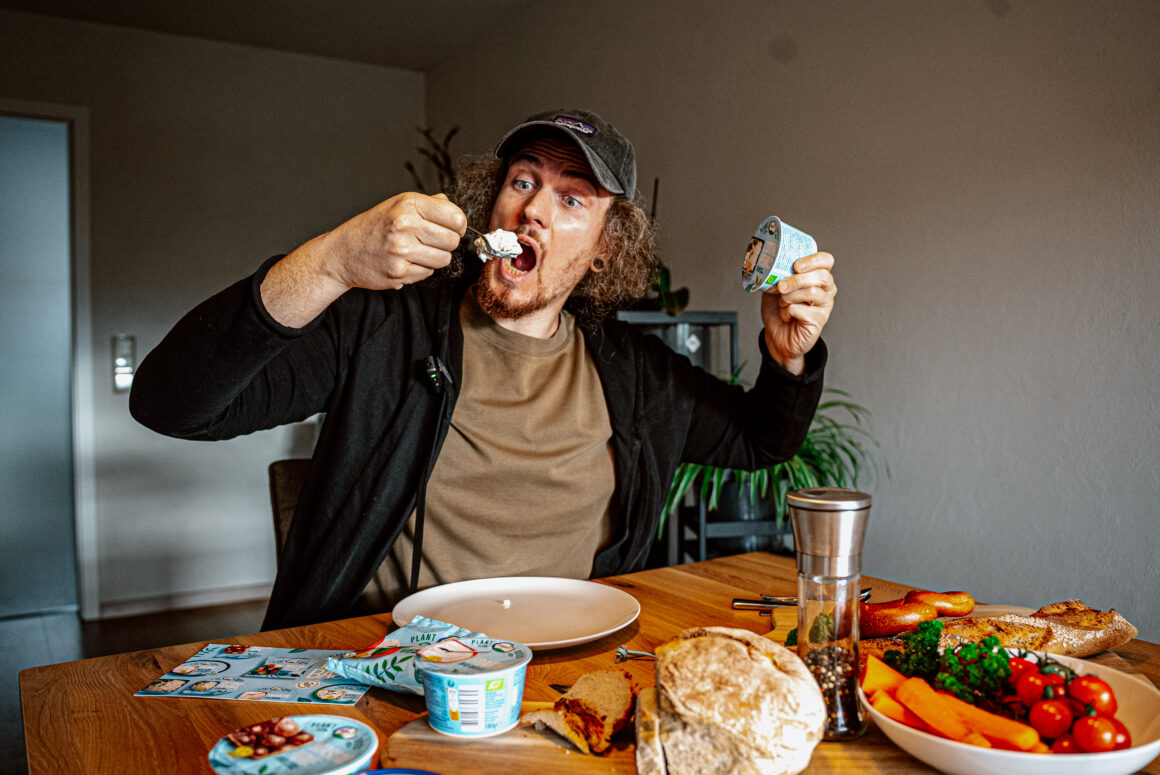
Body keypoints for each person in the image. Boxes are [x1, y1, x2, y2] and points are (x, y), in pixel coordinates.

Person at [130, 109, 837, 630]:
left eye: (571, 198)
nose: (532, 208)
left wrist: (788, 354)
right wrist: (331, 260)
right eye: (522, 180)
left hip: (564, 670)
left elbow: (761, 441)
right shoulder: (386, 324)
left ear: (604, 250)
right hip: (382, 664)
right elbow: (171, 401)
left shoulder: (634, 371)